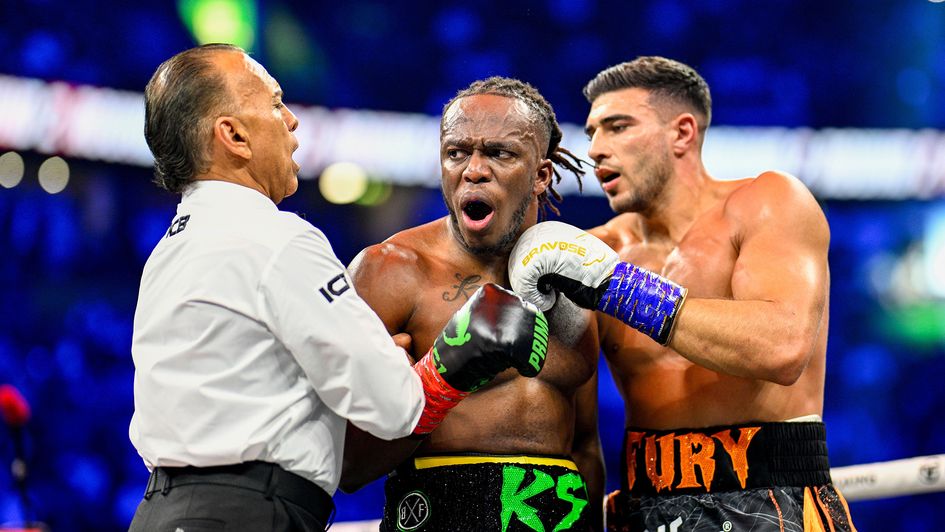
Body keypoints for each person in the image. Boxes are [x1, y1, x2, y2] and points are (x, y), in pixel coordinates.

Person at [128, 44, 547, 532]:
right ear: (234, 136)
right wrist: (456, 353)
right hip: (247, 513)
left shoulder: (168, 252)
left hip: (162, 510)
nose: (292, 120)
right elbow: (394, 405)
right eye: (275, 103)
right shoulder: (277, 239)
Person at [508, 56, 856, 531]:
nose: (597, 150)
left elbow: (782, 347)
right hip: (646, 504)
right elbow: (578, 435)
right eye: (592, 134)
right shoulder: (594, 253)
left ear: (682, 133)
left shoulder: (768, 203)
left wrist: (619, 287)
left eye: (618, 127)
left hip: (774, 498)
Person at [340, 77, 605, 531]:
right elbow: (347, 465)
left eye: (500, 153)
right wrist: (445, 376)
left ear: (541, 176)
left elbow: (584, 447)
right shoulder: (391, 272)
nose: (474, 170)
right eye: (456, 153)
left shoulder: (572, 278)